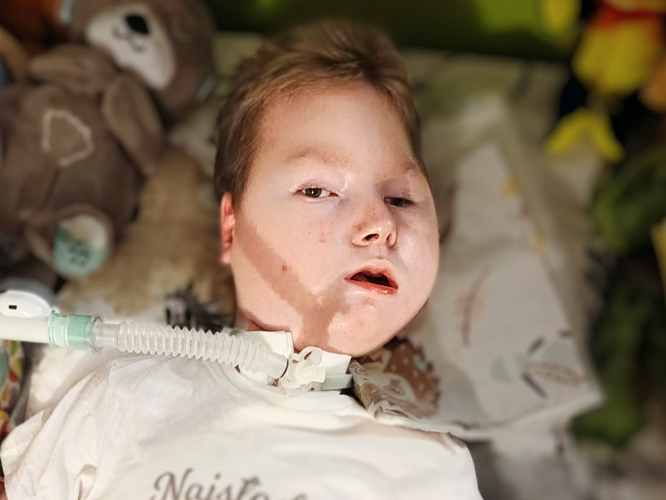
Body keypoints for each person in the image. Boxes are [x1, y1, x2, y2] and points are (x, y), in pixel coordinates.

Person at [0, 20, 482, 499]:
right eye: (317, 190)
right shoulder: (121, 403)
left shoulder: (433, 471)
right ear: (232, 227)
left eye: (401, 199)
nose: (380, 223)